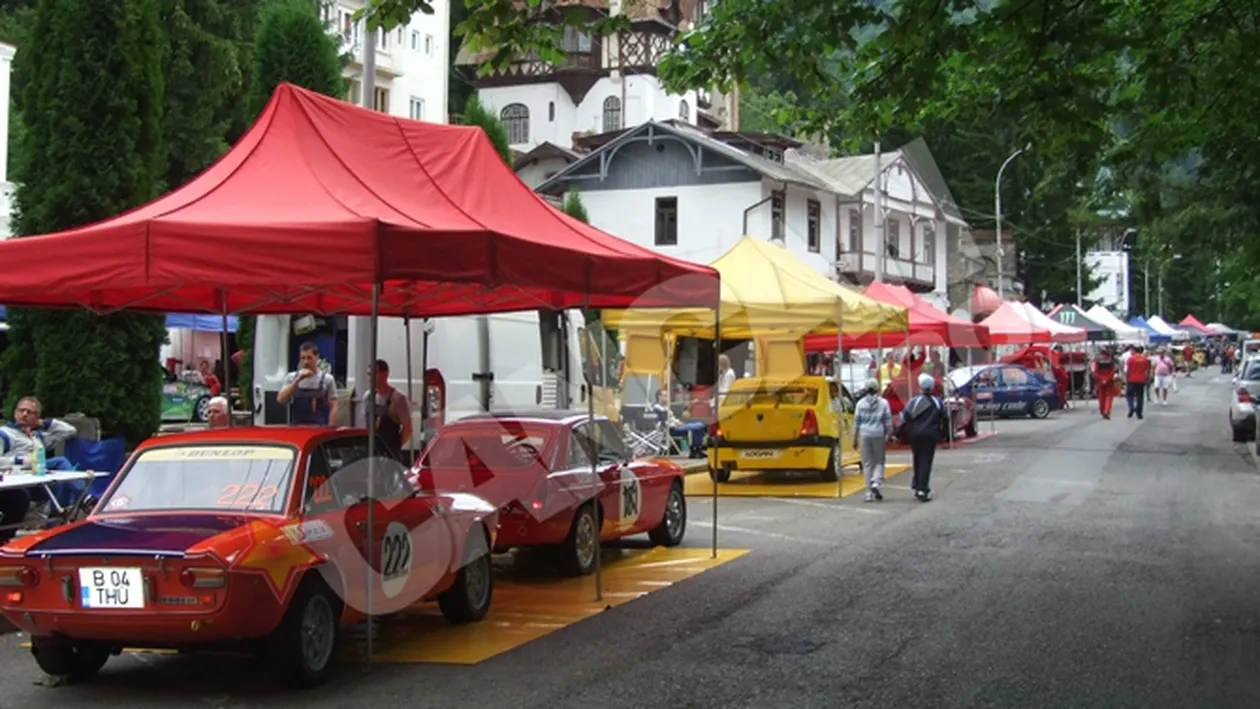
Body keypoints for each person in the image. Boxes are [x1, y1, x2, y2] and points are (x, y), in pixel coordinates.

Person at [0, 397, 79, 541]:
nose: (24, 414)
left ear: (37, 417)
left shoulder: (37, 436)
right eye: (21, 410)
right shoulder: (4, 434)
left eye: (30, 412)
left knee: (59, 476)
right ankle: (82, 498)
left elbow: (70, 431)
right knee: (60, 462)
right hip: (14, 481)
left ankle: (56, 520)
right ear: (15, 412)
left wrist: (42, 423)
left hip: (36, 480)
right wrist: (20, 460)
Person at [899, 374, 948, 502]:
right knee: (926, 461)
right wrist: (943, 434)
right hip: (931, 435)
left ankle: (917, 485)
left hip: (915, 435)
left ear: (920, 386)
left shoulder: (914, 401)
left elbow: (905, 417)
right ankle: (922, 488)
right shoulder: (937, 402)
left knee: (917, 459)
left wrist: (897, 433)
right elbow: (945, 418)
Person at [357, 360, 413, 461]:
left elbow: (408, 429)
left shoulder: (398, 399)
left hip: (390, 456)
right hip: (371, 454)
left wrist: (395, 448)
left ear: (385, 374)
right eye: (369, 374)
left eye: (374, 374)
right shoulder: (368, 397)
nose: (370, 378)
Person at [277, 342, 339, 426]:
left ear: (317, 357)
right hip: (296, 427)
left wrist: (331, 427)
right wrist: (298, 380)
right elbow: (280, 399)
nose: (306, 361)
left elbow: (334, 406)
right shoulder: (291, 377)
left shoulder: (327, 379)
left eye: (309, 358)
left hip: (318, 427)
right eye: (303, 358)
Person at [852, 378, 893, 502]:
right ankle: (876, 482)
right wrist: (889, 434)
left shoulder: (860, 404)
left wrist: (855, 438)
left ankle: (868, 493)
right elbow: (888, 420)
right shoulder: (883, 403)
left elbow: (856, 422)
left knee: (867, 464)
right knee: (880, 461)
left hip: (864, 434)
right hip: (878, 433)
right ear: (877, 389)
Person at [653, 389, 707, 459]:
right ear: (659, 397)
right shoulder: (657, 409)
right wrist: (677, 424)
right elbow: (664, 423)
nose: (667, 397)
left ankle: (697, 450)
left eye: (667, 396)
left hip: (676, 427)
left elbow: (672, 418)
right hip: (670, 430)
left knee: (699, 427)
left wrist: (679, 422)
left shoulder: (665, 407)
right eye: (665, 396)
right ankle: (695, 450)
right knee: (699, 425)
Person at [1123, 345, 1151, 419]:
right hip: (1141, 380)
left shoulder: (1131, 359)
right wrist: (1147, 379)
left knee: (1129, 395)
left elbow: (1128, 370)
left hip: (1131, 379)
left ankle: (1131, 407)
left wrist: (1126, 379)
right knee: (1140, 396)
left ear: (1135, 351)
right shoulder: (1145, 359)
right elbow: (1147, 371)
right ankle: (1139, 413)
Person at [1092, 348, 1118, 420]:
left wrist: (1101, 379)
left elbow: (1095, 372)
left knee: (1101, 397)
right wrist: (1107, 379)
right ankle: (1106, 411)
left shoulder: (1097, 361)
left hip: (1100, 381)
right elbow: (1113, 371)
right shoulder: (1111, 361)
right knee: (1109, 397)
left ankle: (1102, 411)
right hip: (1109, 381)